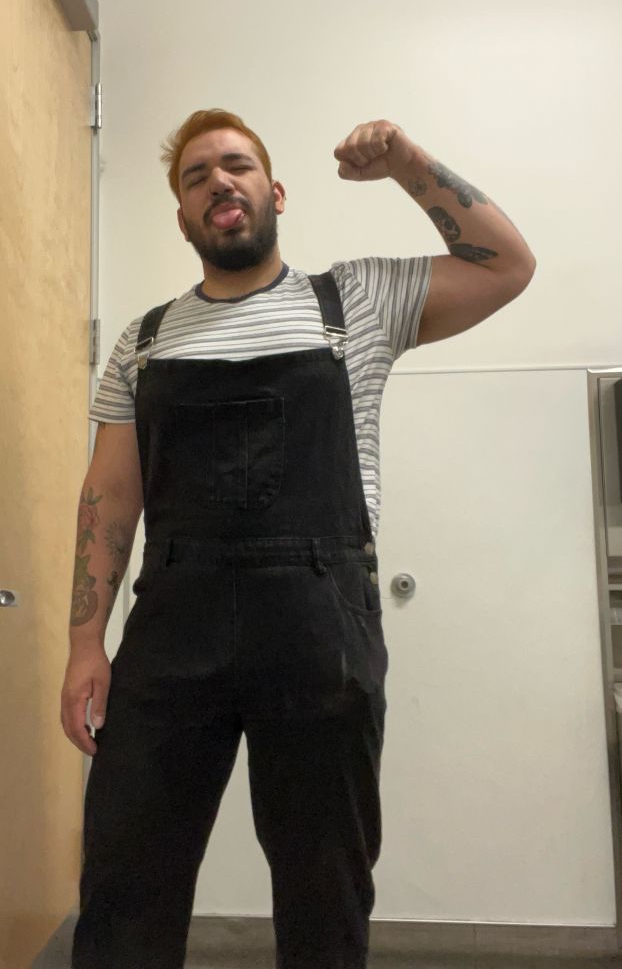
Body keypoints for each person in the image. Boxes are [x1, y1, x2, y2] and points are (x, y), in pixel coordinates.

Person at [63, 109, 536, 969]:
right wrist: (84, 641)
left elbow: (506, 264)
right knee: (126, 877)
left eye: (236, 165)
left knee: (325, 888)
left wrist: (406, 162)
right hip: (173, 628)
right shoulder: (144, 340)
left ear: (274, 192)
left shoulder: (354, 302)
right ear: (183, 218)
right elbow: (109, 496)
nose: (219, 181)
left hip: (319, 629)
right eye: (197, 176)